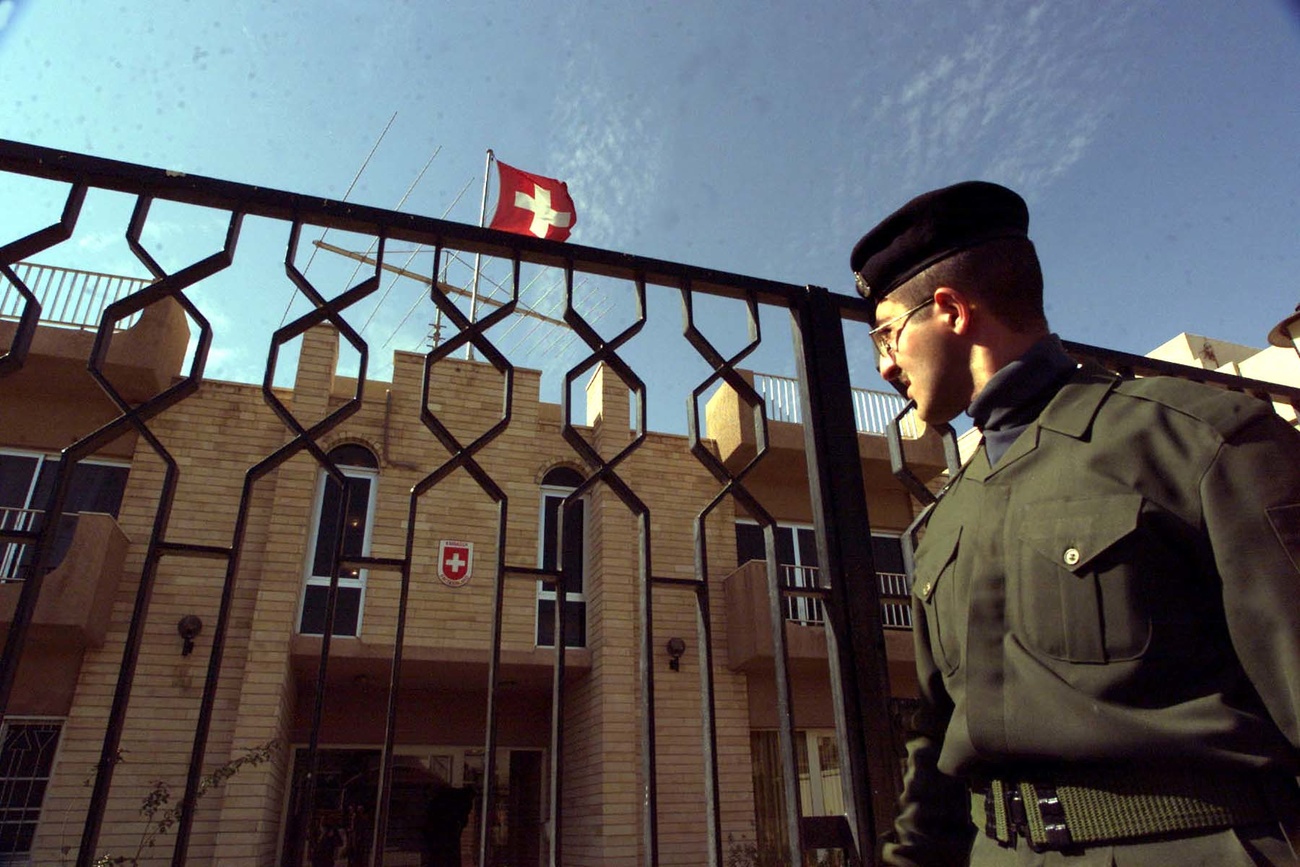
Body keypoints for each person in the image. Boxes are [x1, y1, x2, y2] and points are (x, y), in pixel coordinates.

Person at [849, 181, 1300, 866]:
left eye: (886, 332)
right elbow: (937, 743)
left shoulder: (1201, 440)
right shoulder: (942, 520)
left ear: (949, 308)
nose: (884, 362)